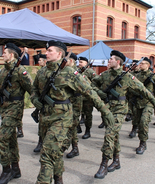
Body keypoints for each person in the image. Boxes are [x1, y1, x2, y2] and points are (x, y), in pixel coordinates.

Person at [30, 40, 114, 184]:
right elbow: (34, 90)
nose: (47, 53)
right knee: (54, 153)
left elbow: (90, 92)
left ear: (60, 54)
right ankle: (59, 180)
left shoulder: (69, 72)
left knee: (47, 154)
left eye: (50, 50)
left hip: (62, 119)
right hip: (45, 116)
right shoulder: (42, 71)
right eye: (47, 50)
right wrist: (35, 100)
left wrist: (105, 112)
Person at [91, 51, 155, 179]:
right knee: (114, 135)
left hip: (120, 109)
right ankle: (116, 161)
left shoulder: (127, 77)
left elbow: (143, 90)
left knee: (109, 134)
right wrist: (100, 93)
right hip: (107, 109)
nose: (109, 60)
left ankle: (104, 164)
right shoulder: (105, 75)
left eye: (111, 59)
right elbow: (92, 84)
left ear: (118, 62)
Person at [0, 43, 33, 184]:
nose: (2, 55)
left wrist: (40, 107)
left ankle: (6, 170)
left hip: (15, 108)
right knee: (11, 140)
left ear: (12, 55)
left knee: (0, 138)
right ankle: (16, 169)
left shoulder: (20, 71)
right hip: (4, 108)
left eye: (4, 53)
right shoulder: (4, 71)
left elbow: (32, 89)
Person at [132, 57, 155, 154]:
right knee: (139, 122)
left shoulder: (153, 76)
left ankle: (142, 143)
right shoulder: (136, 76)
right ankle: (141, 140)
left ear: (148, 65)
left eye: (143, 63)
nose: (140, 65)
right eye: (140, 63)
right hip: (138, 102)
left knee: (144, 121)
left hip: (148, 102)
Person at [64, 52, 83, 159]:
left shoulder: (76, 73)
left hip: (75, 102)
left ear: (71, 61)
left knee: (72, 125)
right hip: (66, 102)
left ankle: (74, 148)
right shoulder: (64, 71)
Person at [78, 56, 97, 139]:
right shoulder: (77, 71)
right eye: (79, 62)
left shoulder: (90, 72)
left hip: (87, 98)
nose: (79, 64)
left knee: (88, 115)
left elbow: (96, 82)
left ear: (86, 63)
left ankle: (87, 131)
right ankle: (77, 128)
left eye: (81, 62)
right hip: (78, 97)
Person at [33, 53, 47, 153]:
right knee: (41, 124)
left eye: (40, 60)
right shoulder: (40, 72)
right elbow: (34, 88)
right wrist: (35, 99)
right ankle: (40, 142)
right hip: (42, 102)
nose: (38, 62)